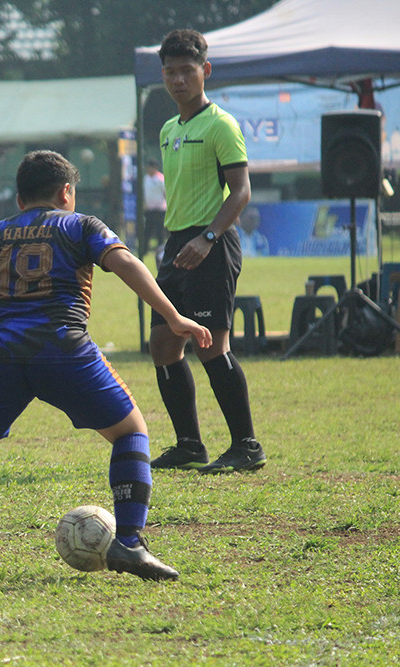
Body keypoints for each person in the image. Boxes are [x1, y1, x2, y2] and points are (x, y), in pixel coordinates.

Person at [0, 150, 212, 582]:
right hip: (64, 350)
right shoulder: (81, 224)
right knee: (130, 432)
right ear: (67, 192)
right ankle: (131, 542)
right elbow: (124, 262)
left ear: (21, 198)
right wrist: (174, 316)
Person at [148, 29, 267, 473]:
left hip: (211, 244)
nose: (178, 79)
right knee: (163, 343)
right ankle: (189, 445)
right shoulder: (167, 129)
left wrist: (209, 237)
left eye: (187, 70)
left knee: (210, 344)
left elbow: (240, 192)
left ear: (205, 71)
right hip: (177, 244)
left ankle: (247, 446)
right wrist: (180, 240)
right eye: (170, 71)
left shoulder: (221, 124)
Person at [142, 157, 167, 256]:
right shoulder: (146, 178)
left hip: (160, 209)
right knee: (147, 231)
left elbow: (165, 193)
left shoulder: (160, 178)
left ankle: (161, 250)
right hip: (150, 209)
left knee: (160, 231)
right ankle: (144, 250)